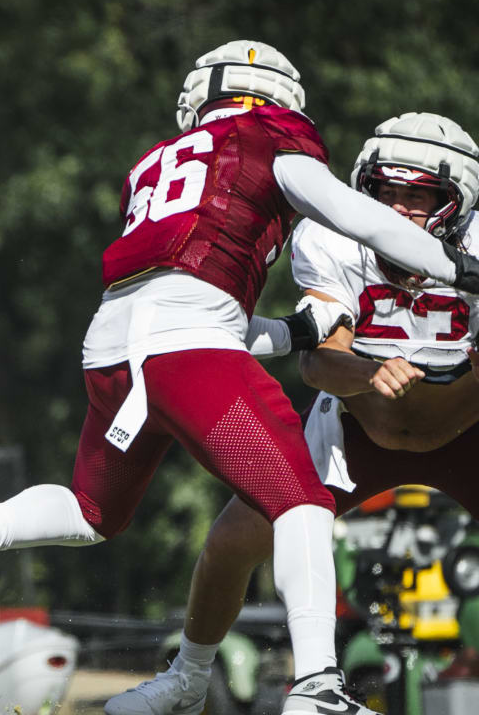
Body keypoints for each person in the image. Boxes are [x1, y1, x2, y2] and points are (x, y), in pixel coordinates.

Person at [0, 40, 479, 715]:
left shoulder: (156, 162)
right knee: (299, 504)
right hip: (196, 345)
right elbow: (352, 219)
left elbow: (202, 305)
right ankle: (316, 687)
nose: (397, 209)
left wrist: (296, 329)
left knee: (95, 511)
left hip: (115, 346)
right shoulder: (272, 141)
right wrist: (460, 269)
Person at [104, 111, 479, 715]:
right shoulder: (331, 238)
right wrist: (367, 373)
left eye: (420, 196)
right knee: (232, 540)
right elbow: (317, 363)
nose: (400, 211)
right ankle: (188, 677)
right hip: (359, 428)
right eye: (387, 193)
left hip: (467, 429)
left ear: (458, 199)